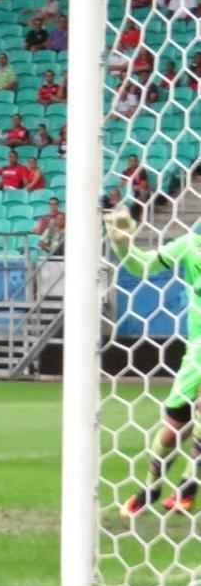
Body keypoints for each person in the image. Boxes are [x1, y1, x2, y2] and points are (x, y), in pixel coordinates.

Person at [103, 206, 201, 516]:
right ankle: (151, 487)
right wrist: (122, 245)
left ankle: (188, 487)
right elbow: (141, 266)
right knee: (174, 428)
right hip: (196, 352)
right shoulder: (189, 245)